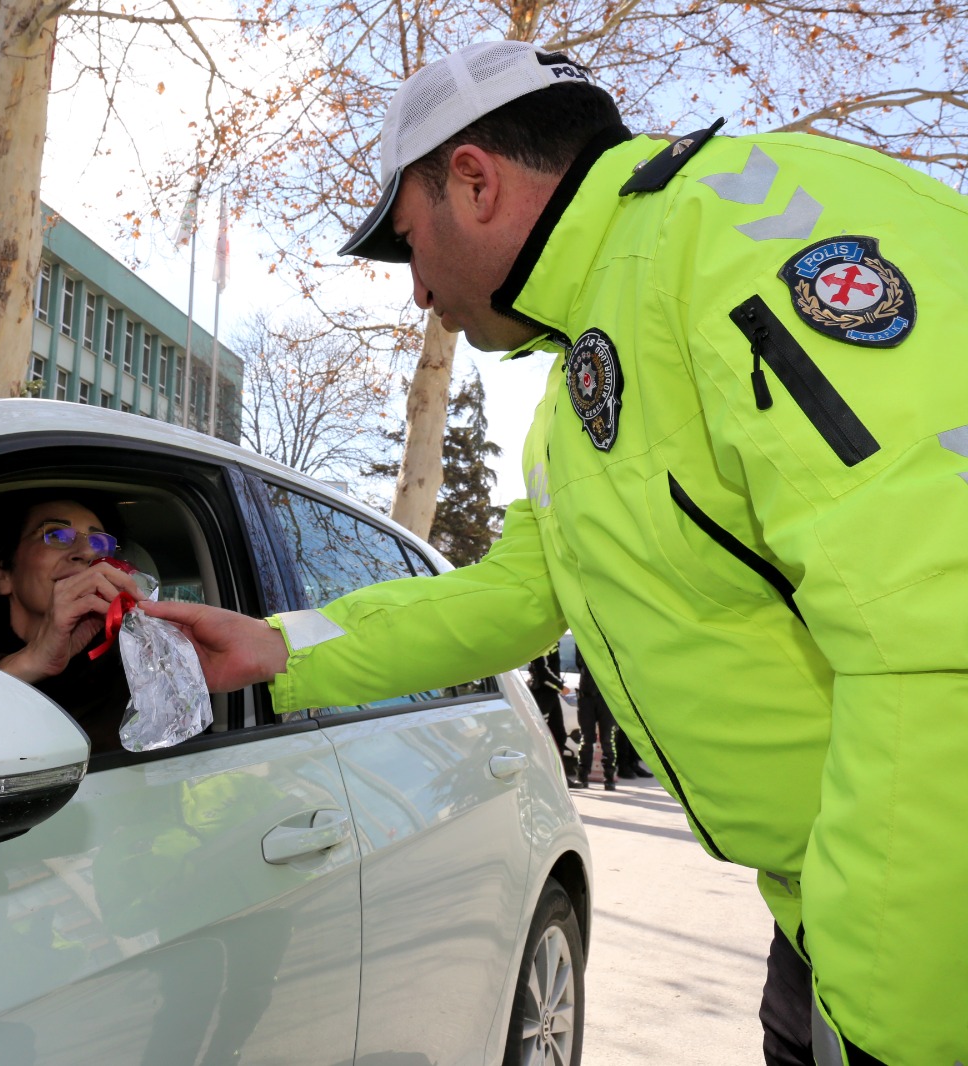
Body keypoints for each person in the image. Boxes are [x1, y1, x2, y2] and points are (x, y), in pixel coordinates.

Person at [138, 38, 968, 1066]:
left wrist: (897, 1019)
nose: (416, 292)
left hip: (921, 942)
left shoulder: (738, 232)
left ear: (473, 181)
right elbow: (516, 597)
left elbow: (939, 625)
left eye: (406, 242)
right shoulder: (583, 383)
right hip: (836, 921)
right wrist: (277, 650)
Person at [0, 491, 143, 753]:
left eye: (100, 543)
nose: (87, 552)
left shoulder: (131, 668)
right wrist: (28, 663)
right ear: (0, 573)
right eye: (56, 535)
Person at [525, 642, 580, 786]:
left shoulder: (552, 640)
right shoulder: (541, 640)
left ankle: (558, 778)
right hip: (541, 695)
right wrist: (561, 687)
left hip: (551, 695)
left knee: (559, 735)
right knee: (537, 736)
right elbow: (542, 673)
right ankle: (534, 776)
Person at [573, 662, 617, 791]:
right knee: (586, 738)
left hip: (607, 697)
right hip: (586, 696)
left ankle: (609, 777)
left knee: (607, 739)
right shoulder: (583, 643)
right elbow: (580, 663)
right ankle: (582, 775)